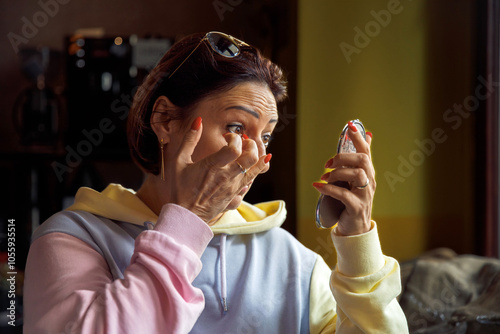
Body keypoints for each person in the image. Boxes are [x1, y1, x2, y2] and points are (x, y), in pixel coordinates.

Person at [23, 31, 409, 333]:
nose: (257, 157)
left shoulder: (293, 262)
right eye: (237, 127)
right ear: (165, 121)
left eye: (267, 136)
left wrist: (359, 248)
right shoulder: (71, 241)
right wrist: (189, 221)